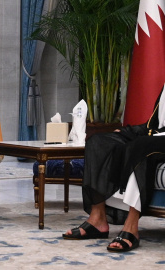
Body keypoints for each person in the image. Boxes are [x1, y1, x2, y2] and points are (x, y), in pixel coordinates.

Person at [63, 86, 165, 252]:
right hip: (157, 135)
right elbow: (152, 125)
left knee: (140, 146)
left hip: (156, 140)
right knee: (98, 142)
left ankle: (131, 226)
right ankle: (98, 219)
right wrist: (127, 131)